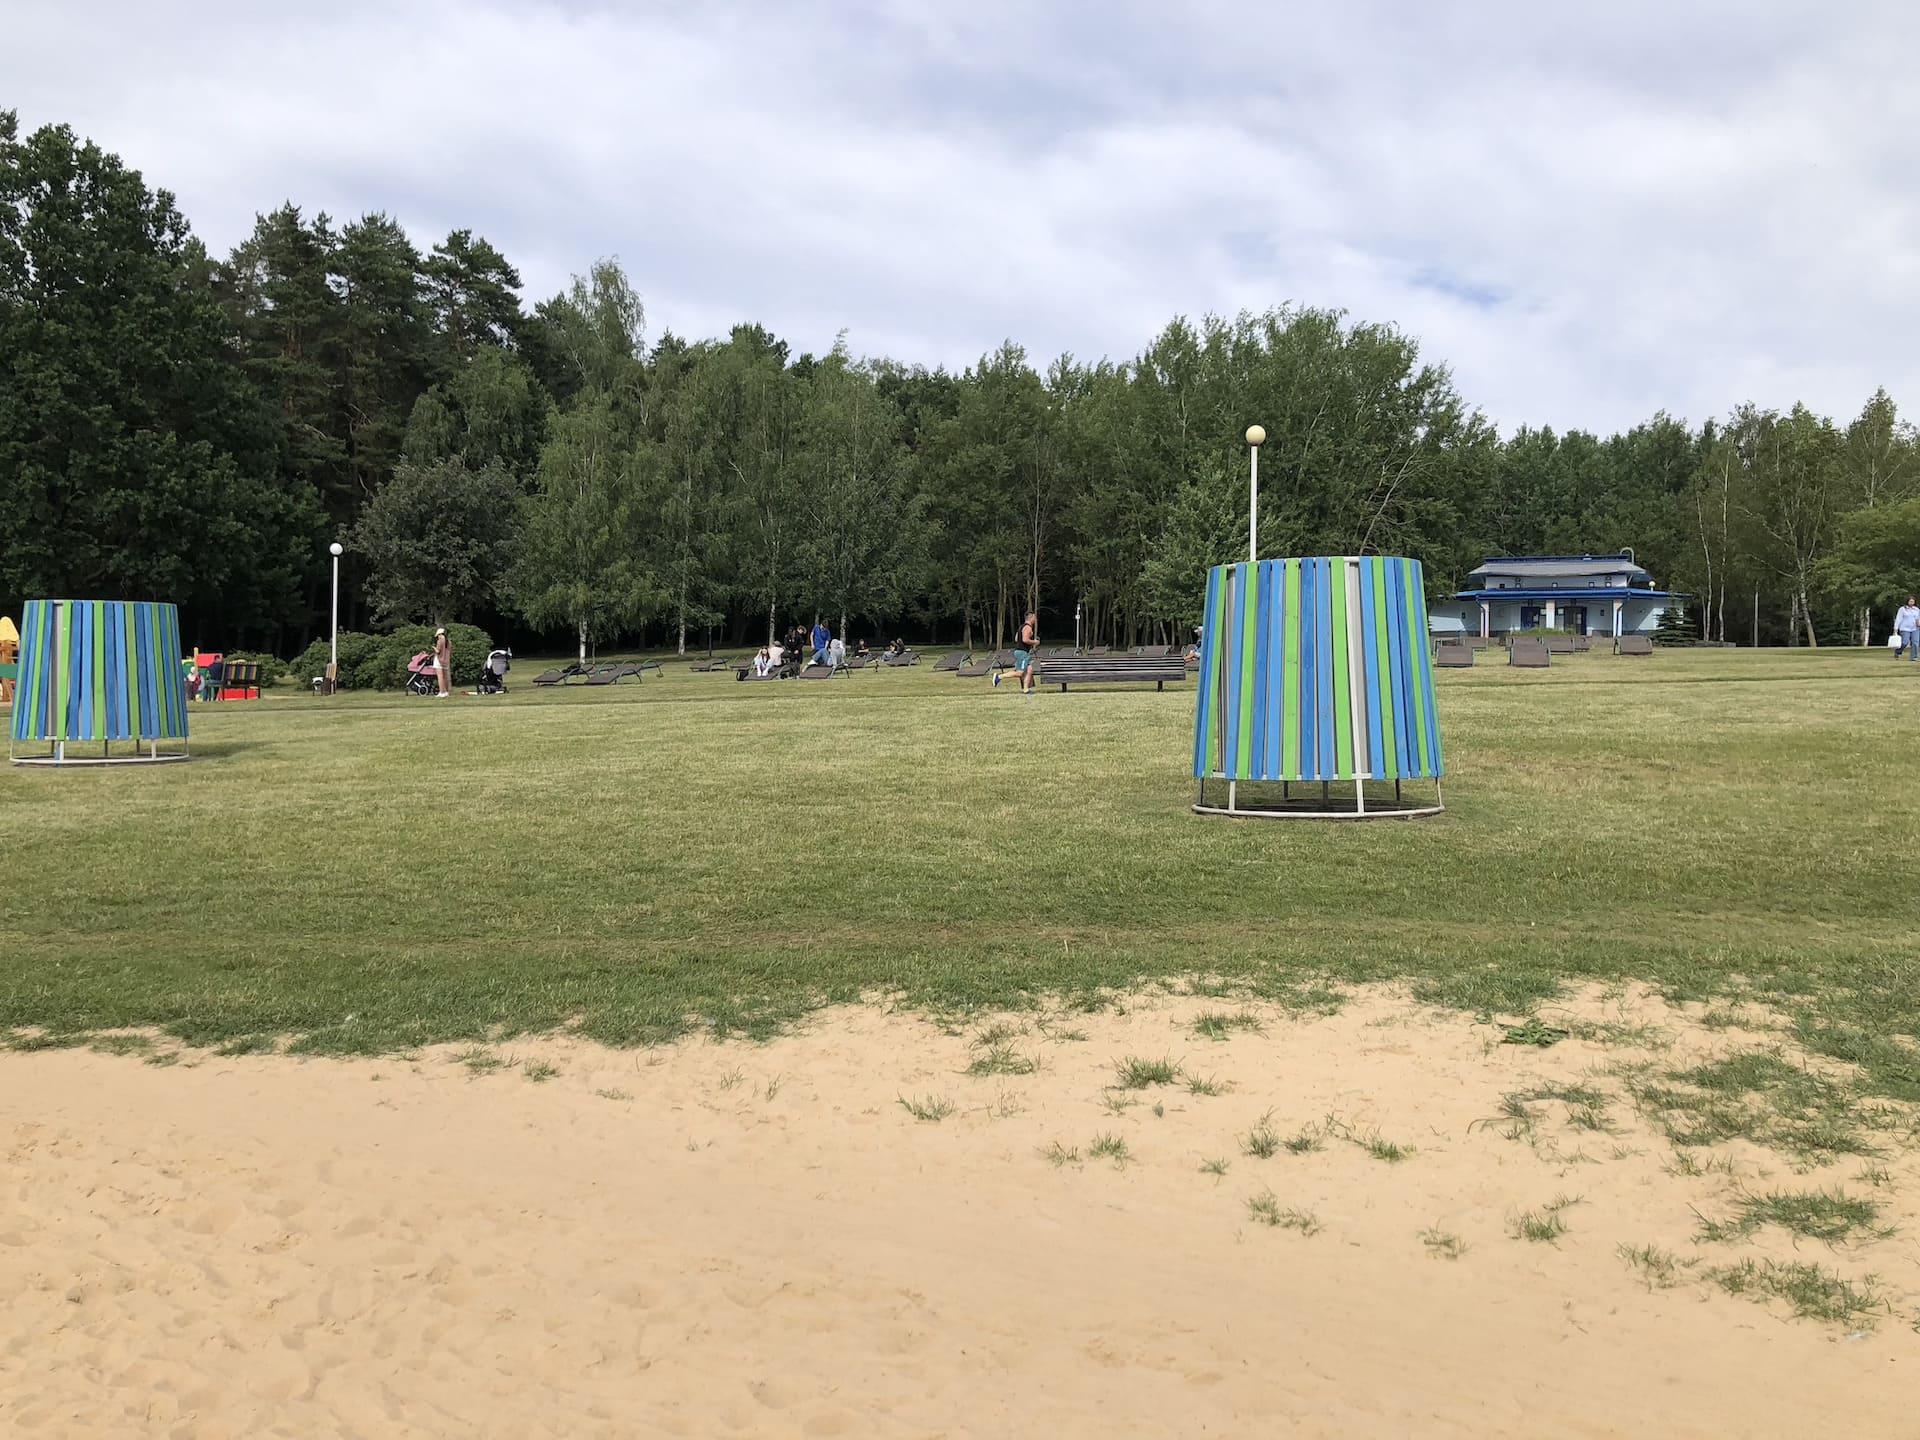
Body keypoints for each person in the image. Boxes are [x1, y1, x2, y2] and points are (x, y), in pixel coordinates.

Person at [995, 611, 1040, 694]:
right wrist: (1034, 642)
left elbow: (1016, 639)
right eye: (1034, 617)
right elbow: (1025, 639)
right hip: (1022, 653)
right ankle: (999, 677)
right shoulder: (1028, 627)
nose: (1035, 619)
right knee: (1020, 673)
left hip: (1021, 652)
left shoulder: (1021, 627)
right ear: (1031, 618)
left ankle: (1026, 690)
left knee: (1029, 670)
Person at [1895, 596, 1920, 662]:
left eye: (1913, 601)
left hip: (1915, 628)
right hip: (1905, 628)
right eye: (1910, 601)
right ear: (1907, 601)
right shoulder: (1902, 609)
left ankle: (1913, 657)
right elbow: (1898, 619)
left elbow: (1918, 618)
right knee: (1905, 642)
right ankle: (1898, 651)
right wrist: (1895, 628)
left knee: (1915, 643)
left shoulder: (1917, 609)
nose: (1911, 603)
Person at [433, 627, 452, 697]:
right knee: (445, 677)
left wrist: (434, 648)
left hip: (439, 659)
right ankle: (446, 692)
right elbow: (450, 651)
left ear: (440, 634)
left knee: (440, 676)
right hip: (446, 660)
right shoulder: (448, 642)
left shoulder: (440, 641)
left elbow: (438, 651)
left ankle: (442, 692)